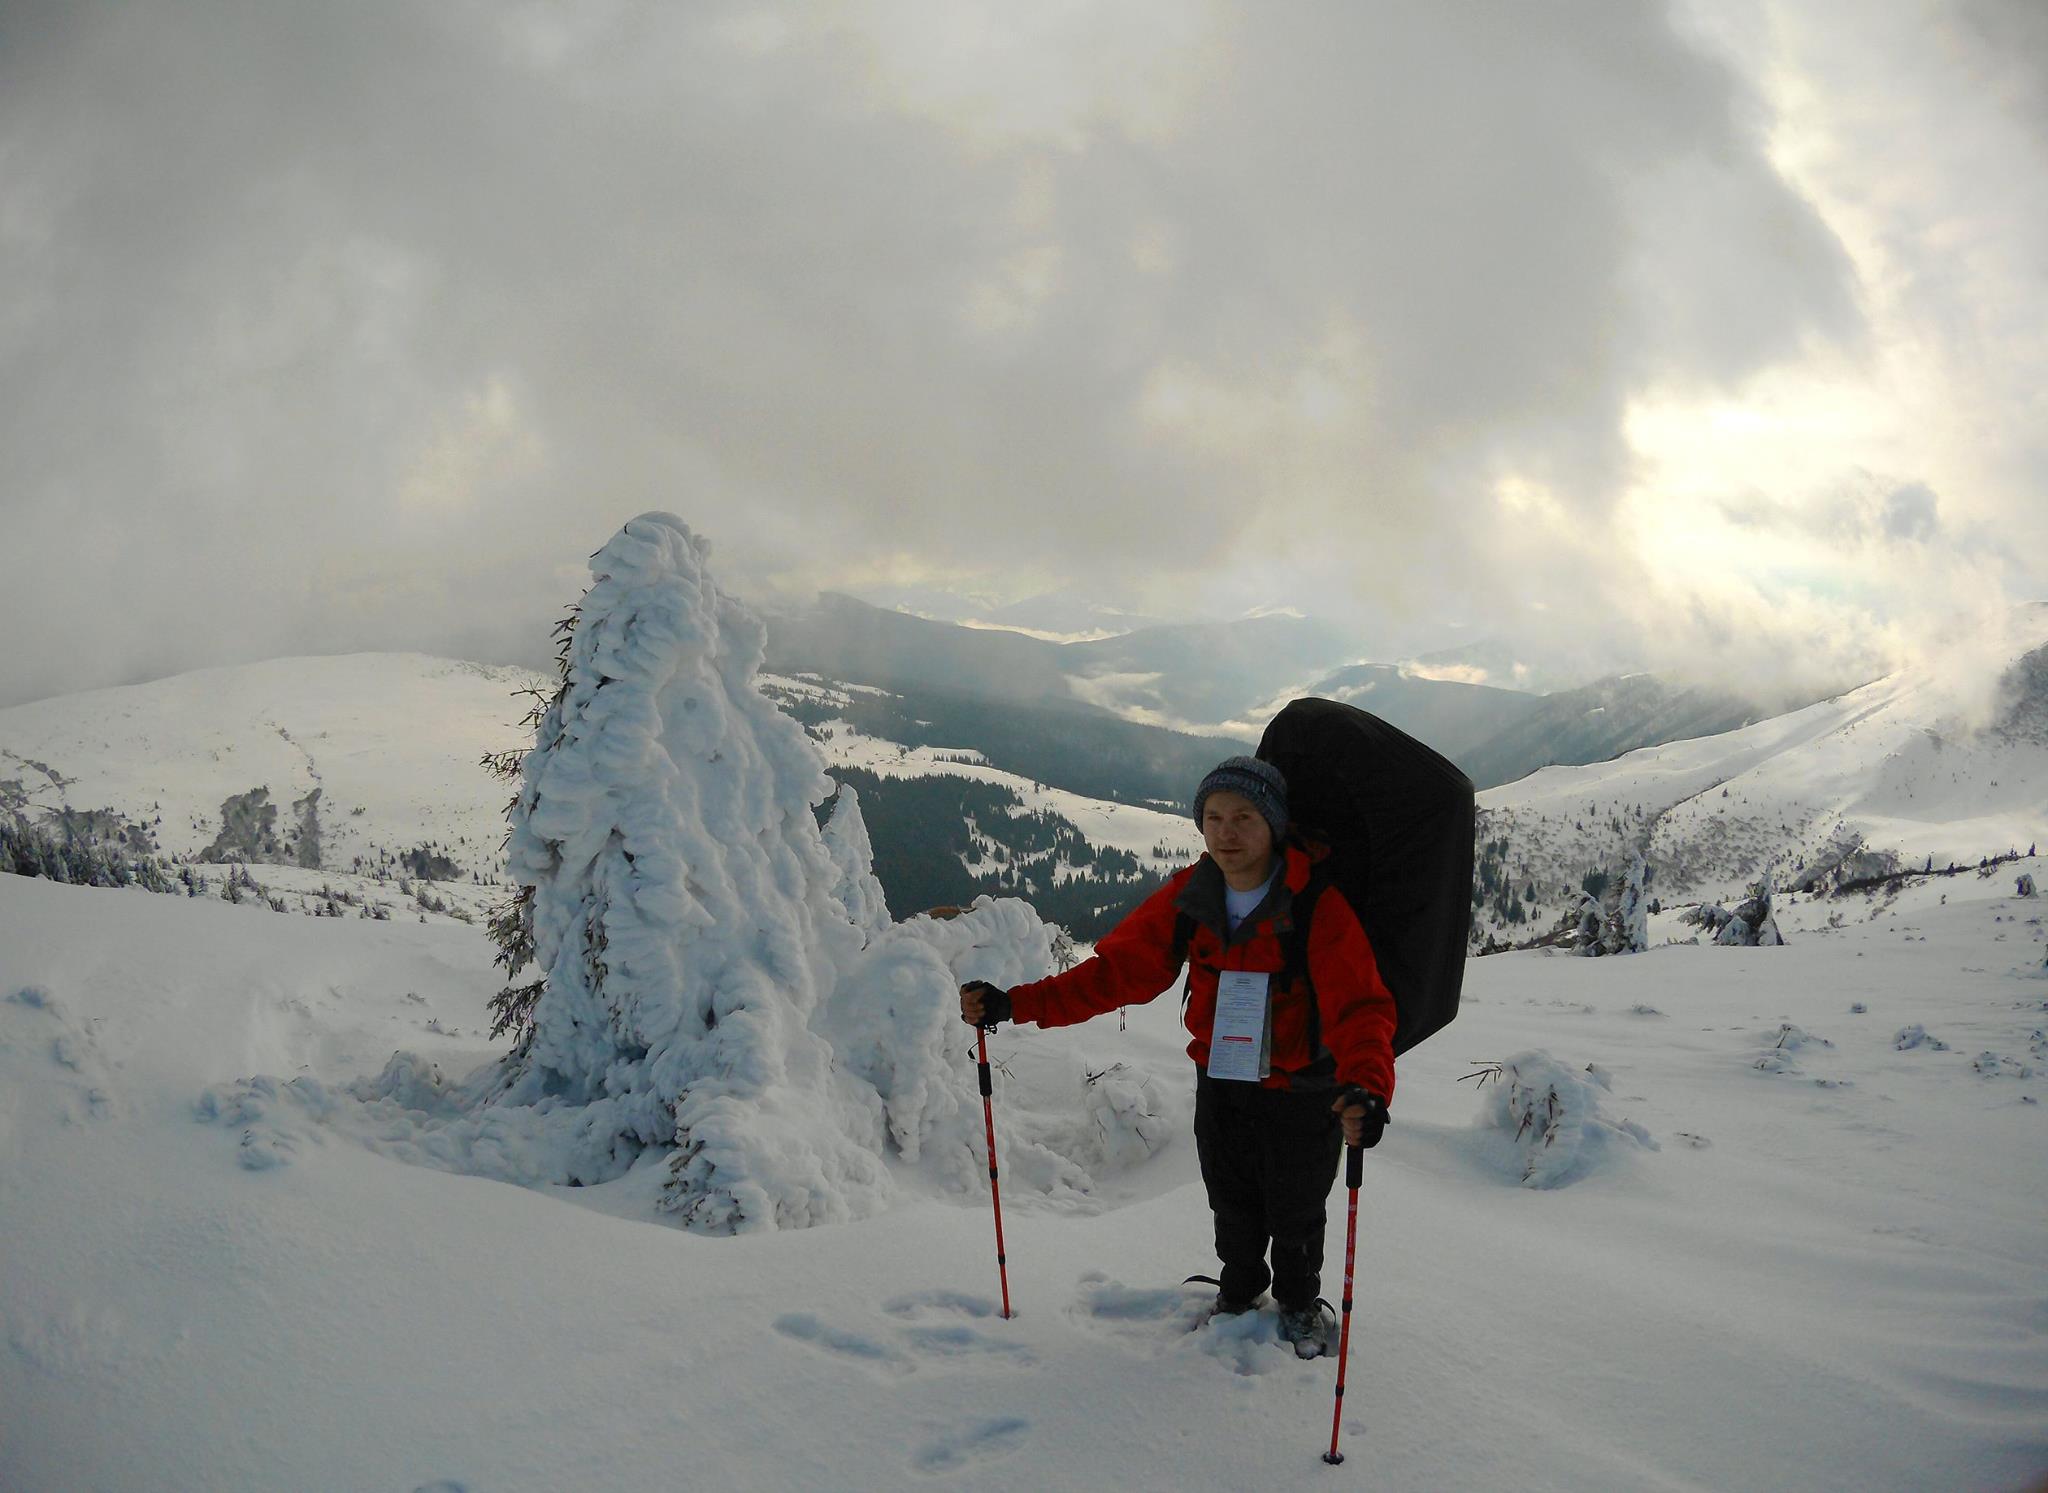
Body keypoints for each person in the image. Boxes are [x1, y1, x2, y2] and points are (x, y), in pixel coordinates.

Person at [959, 755, 1395, 1358]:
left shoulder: (1316, 906)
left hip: (1303, 1090)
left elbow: (1361, 1008)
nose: (1226, 832)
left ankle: (1298, 1303)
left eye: (1244, 817)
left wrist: (1368, 1086)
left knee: (1296, 1212)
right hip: (1222, 1080)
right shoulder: (1192, 897)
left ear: (1274, 825)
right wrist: (1017, 1003)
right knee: (1231, 1202)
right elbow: (1115, 975)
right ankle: (1239, 1294)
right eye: (1213, 817)